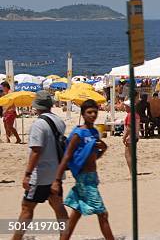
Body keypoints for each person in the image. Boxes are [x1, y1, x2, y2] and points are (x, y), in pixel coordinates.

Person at [51, 99, 114, 240]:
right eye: (89, 112)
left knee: (75, 215)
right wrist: (56, 180)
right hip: (84, 179)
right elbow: (67, 157)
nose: (92, 115)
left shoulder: (94, 132)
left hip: (92, 176)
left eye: (95, 112)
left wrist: (103, 149)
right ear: (83, 114)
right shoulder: (78, 133)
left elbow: (92, 156)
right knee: (102, 214)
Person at [12, 91, 69, 240]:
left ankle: (16, 239)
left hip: (41, 175)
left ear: (36, 106)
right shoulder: (59, 121)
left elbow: (36, 151)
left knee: (27, 208)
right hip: (56, 173)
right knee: (58, 206)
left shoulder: (38, 124)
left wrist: (27, 174)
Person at [123, 102, 140, 174]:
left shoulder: (130, 115)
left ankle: (132, 171)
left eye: (126, 106)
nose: (125, 108)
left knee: (128, 154)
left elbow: (129, 128)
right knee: (133, 154)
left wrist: (124, 137)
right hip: (135, 135)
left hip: (130, 137)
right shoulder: (136, 115)